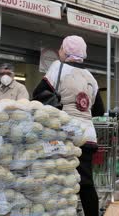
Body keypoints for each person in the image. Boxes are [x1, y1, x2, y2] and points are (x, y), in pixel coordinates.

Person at [32, 35, 104, 216]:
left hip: (63, 135)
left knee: (58, 179)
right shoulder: (91, 78)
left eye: (61, 49)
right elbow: (99, 110)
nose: (59, 51)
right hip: (86, 136)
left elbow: (38, 93)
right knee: (86, 183)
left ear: (66, 51)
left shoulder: (58, 68)